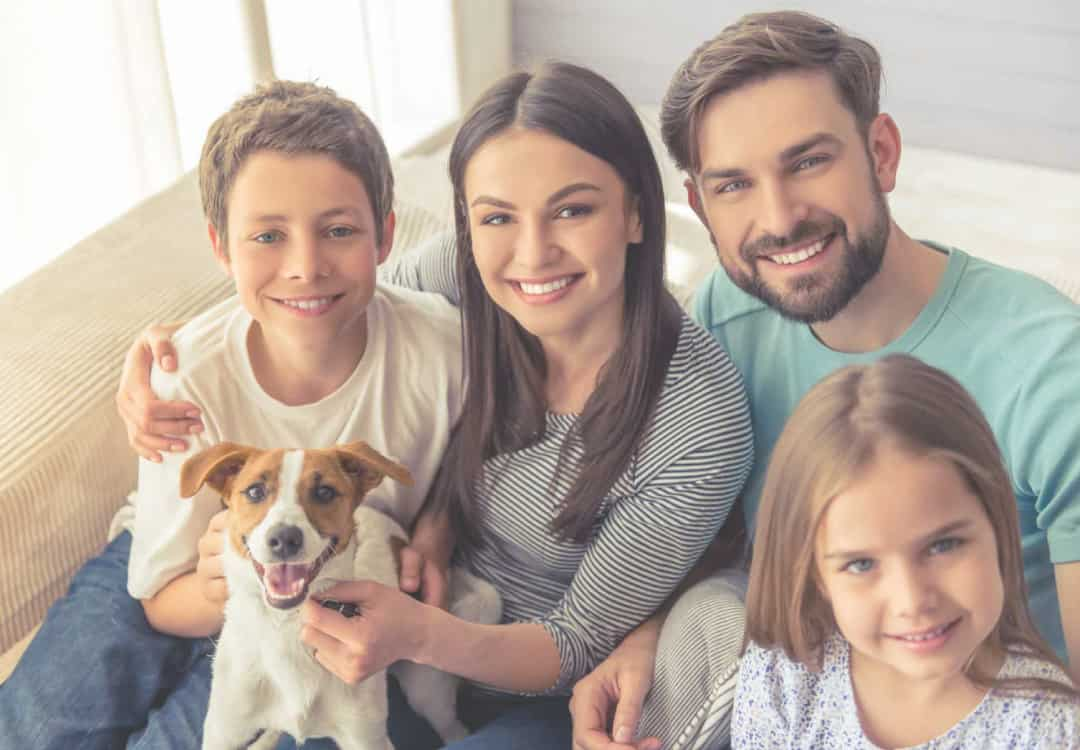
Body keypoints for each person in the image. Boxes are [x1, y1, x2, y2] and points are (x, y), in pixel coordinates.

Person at [113, 62, 755, 748]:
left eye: (573, 209)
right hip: (356, 598)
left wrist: (417, 634)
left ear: (634, 210)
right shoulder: (466, 273)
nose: (532, 254)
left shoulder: (698, 421)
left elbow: (575, 642)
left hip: (528, 680)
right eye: (498, 216)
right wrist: (165, 353)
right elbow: (322, 299)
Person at [570, 10, 1080, 749]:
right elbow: (715, 539)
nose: (779, 219)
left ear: (881, 152)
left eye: (808, 161)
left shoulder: (1051, 367)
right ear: (698, 207)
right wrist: (647, 637)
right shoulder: (726, 313)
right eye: (735, 184)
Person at [0, 79, 465, 749]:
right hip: (177, 570)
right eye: (268, 236)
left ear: (385, 234)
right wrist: (231, 587)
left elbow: (483, 458)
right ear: (222, 248)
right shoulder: (185, 374)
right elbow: (158, 599)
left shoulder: (444, 349)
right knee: (38, 727)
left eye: (337, 230)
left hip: (323, 579)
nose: (305, 267)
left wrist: (439, 527)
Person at [735, 354, 1078, 748]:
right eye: (861, 564)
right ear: (816, 574)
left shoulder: (1047, 726)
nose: (912, 601)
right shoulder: (785, 676)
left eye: (943, 545)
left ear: (997, 528)